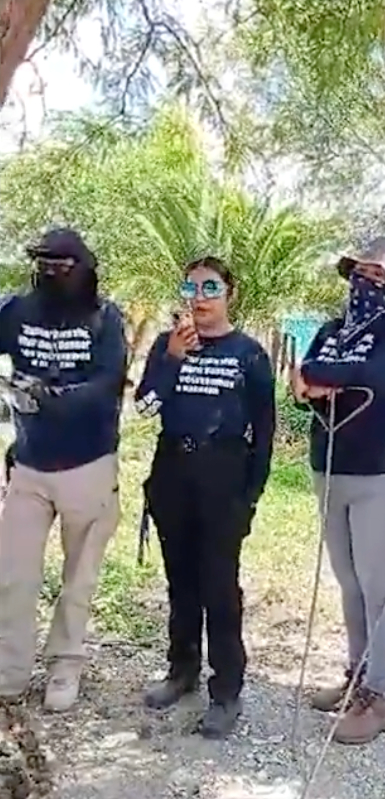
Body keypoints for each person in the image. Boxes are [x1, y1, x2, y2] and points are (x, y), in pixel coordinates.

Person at [292, 236, 385, 745]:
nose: (364, 283)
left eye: (377, 276)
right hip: (333, 467)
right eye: (359, 272)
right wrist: (319, 380)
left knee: (382, 586)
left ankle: (380, 696)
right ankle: (357, 676)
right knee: (350, 582)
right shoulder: (331, 331)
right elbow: (303, 378)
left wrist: (326, 377)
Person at [134, 256, 276, 739]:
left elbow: (265, 430)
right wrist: (173, 358)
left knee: (220, 586)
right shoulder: (166, 346)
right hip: (172, 473)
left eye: (210, 287)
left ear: (229, 294)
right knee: (181, 582)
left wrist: (251, 495)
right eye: (191, 287)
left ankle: (227, 690)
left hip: (224, 478)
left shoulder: (249, 354)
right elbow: (145, 407)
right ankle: (182, 670)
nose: (199, 297)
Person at [0, 228, 127, 712]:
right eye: (44, 263)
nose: (51, 272)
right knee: (13, 574)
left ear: (84, 269)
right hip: (29, 468)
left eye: (62, 264)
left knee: (79, 580)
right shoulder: (16, 311)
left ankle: (64, 667)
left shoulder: (104, 318)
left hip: (89, 466)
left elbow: (107, 384)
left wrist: (51, 398)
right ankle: (9, 671)